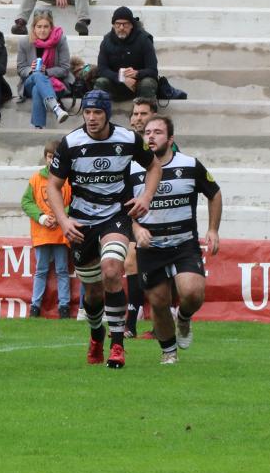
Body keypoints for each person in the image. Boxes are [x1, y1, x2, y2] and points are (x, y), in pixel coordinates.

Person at [46, 89, 162, 369]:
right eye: (87, 112)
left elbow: (154, 166)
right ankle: (96, 334)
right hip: (81, 221)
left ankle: (117, 345)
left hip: (115, 216)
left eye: (97, 112)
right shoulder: (71, 143)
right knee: (93, 293)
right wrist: (64, 221)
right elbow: (53, 185)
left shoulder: (128, 139)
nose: (91, 117)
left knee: (111, 270)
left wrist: (146, 197)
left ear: (107, 113)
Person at [130, 116, 222, 363]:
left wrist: (213, 229)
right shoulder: (132, 169)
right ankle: (169, 353)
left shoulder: (190, 165)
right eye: (147, 132)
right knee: (159, 302)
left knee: (192, 293)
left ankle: (183, 317)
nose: (151, 136)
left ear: (171, 139)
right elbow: (120, 208)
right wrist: (136, 229)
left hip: (184, 244)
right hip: (151, 247)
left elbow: (214, 193)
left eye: (157, 132)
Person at [21, 140, 72, 317]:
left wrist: (60, 216)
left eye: (55, 157)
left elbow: (75, 202)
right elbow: (26, 202)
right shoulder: (36, 179)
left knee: (62, 270)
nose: (52, 160)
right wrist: (42, 217)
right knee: (41, 270)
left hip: (61, 233)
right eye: (50, 157)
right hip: (42, 233)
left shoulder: (68, 179)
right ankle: (35, 306)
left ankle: (64, 306)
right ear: (45, 158)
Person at [124, 96, 159, 337]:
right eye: (135, 114)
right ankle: (130, 324)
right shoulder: (127, 147)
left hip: (161, 217)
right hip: (135, 217)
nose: (138, 118)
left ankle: (161, 323)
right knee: (130, 261)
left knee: (159, 272)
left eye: (143, 113)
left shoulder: (163, 148)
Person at [15, 8, 71, 128]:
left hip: (55, 83)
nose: (42, 30)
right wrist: (31, 69)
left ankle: (38, 127)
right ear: (33, 28)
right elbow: (20, 69)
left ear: (51, 27)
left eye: (46, 26)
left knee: (38, 89)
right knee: (37, 75)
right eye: (39, 26)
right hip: (29, 83)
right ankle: (56, 107)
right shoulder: (24, 42)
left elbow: (65, 69)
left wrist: (46, 71)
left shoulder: (60, 40)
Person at [94, 6, 159, 100]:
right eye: (118, 24)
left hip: (138, 84)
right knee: (101, 82)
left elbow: (153, 70)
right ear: (113, 25)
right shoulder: (106, 41)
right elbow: (102, 69)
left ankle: (143, 108)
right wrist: (121, 78)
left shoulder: (144, 40)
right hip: (115, 84)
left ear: (132, 25)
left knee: (148, 83)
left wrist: (137, 73)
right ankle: (99, 108)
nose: (121, 28)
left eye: (125, 24)